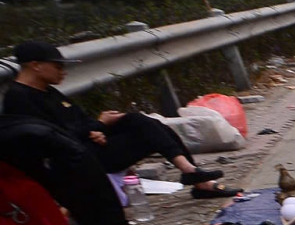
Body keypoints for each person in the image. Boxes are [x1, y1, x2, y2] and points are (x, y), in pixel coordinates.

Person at [4, 41, 235, 198]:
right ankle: (195, 178)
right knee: (145, 129)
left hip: (86, 144)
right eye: (57, 66)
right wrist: (98, 126)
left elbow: (78, 121)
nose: (62, 72)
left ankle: (191, 171)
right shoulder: (20, 98)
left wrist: (96, 129)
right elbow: (49, 138)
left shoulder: (49, 91)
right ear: (35, 65)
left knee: (140, 121)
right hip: (72, 161)